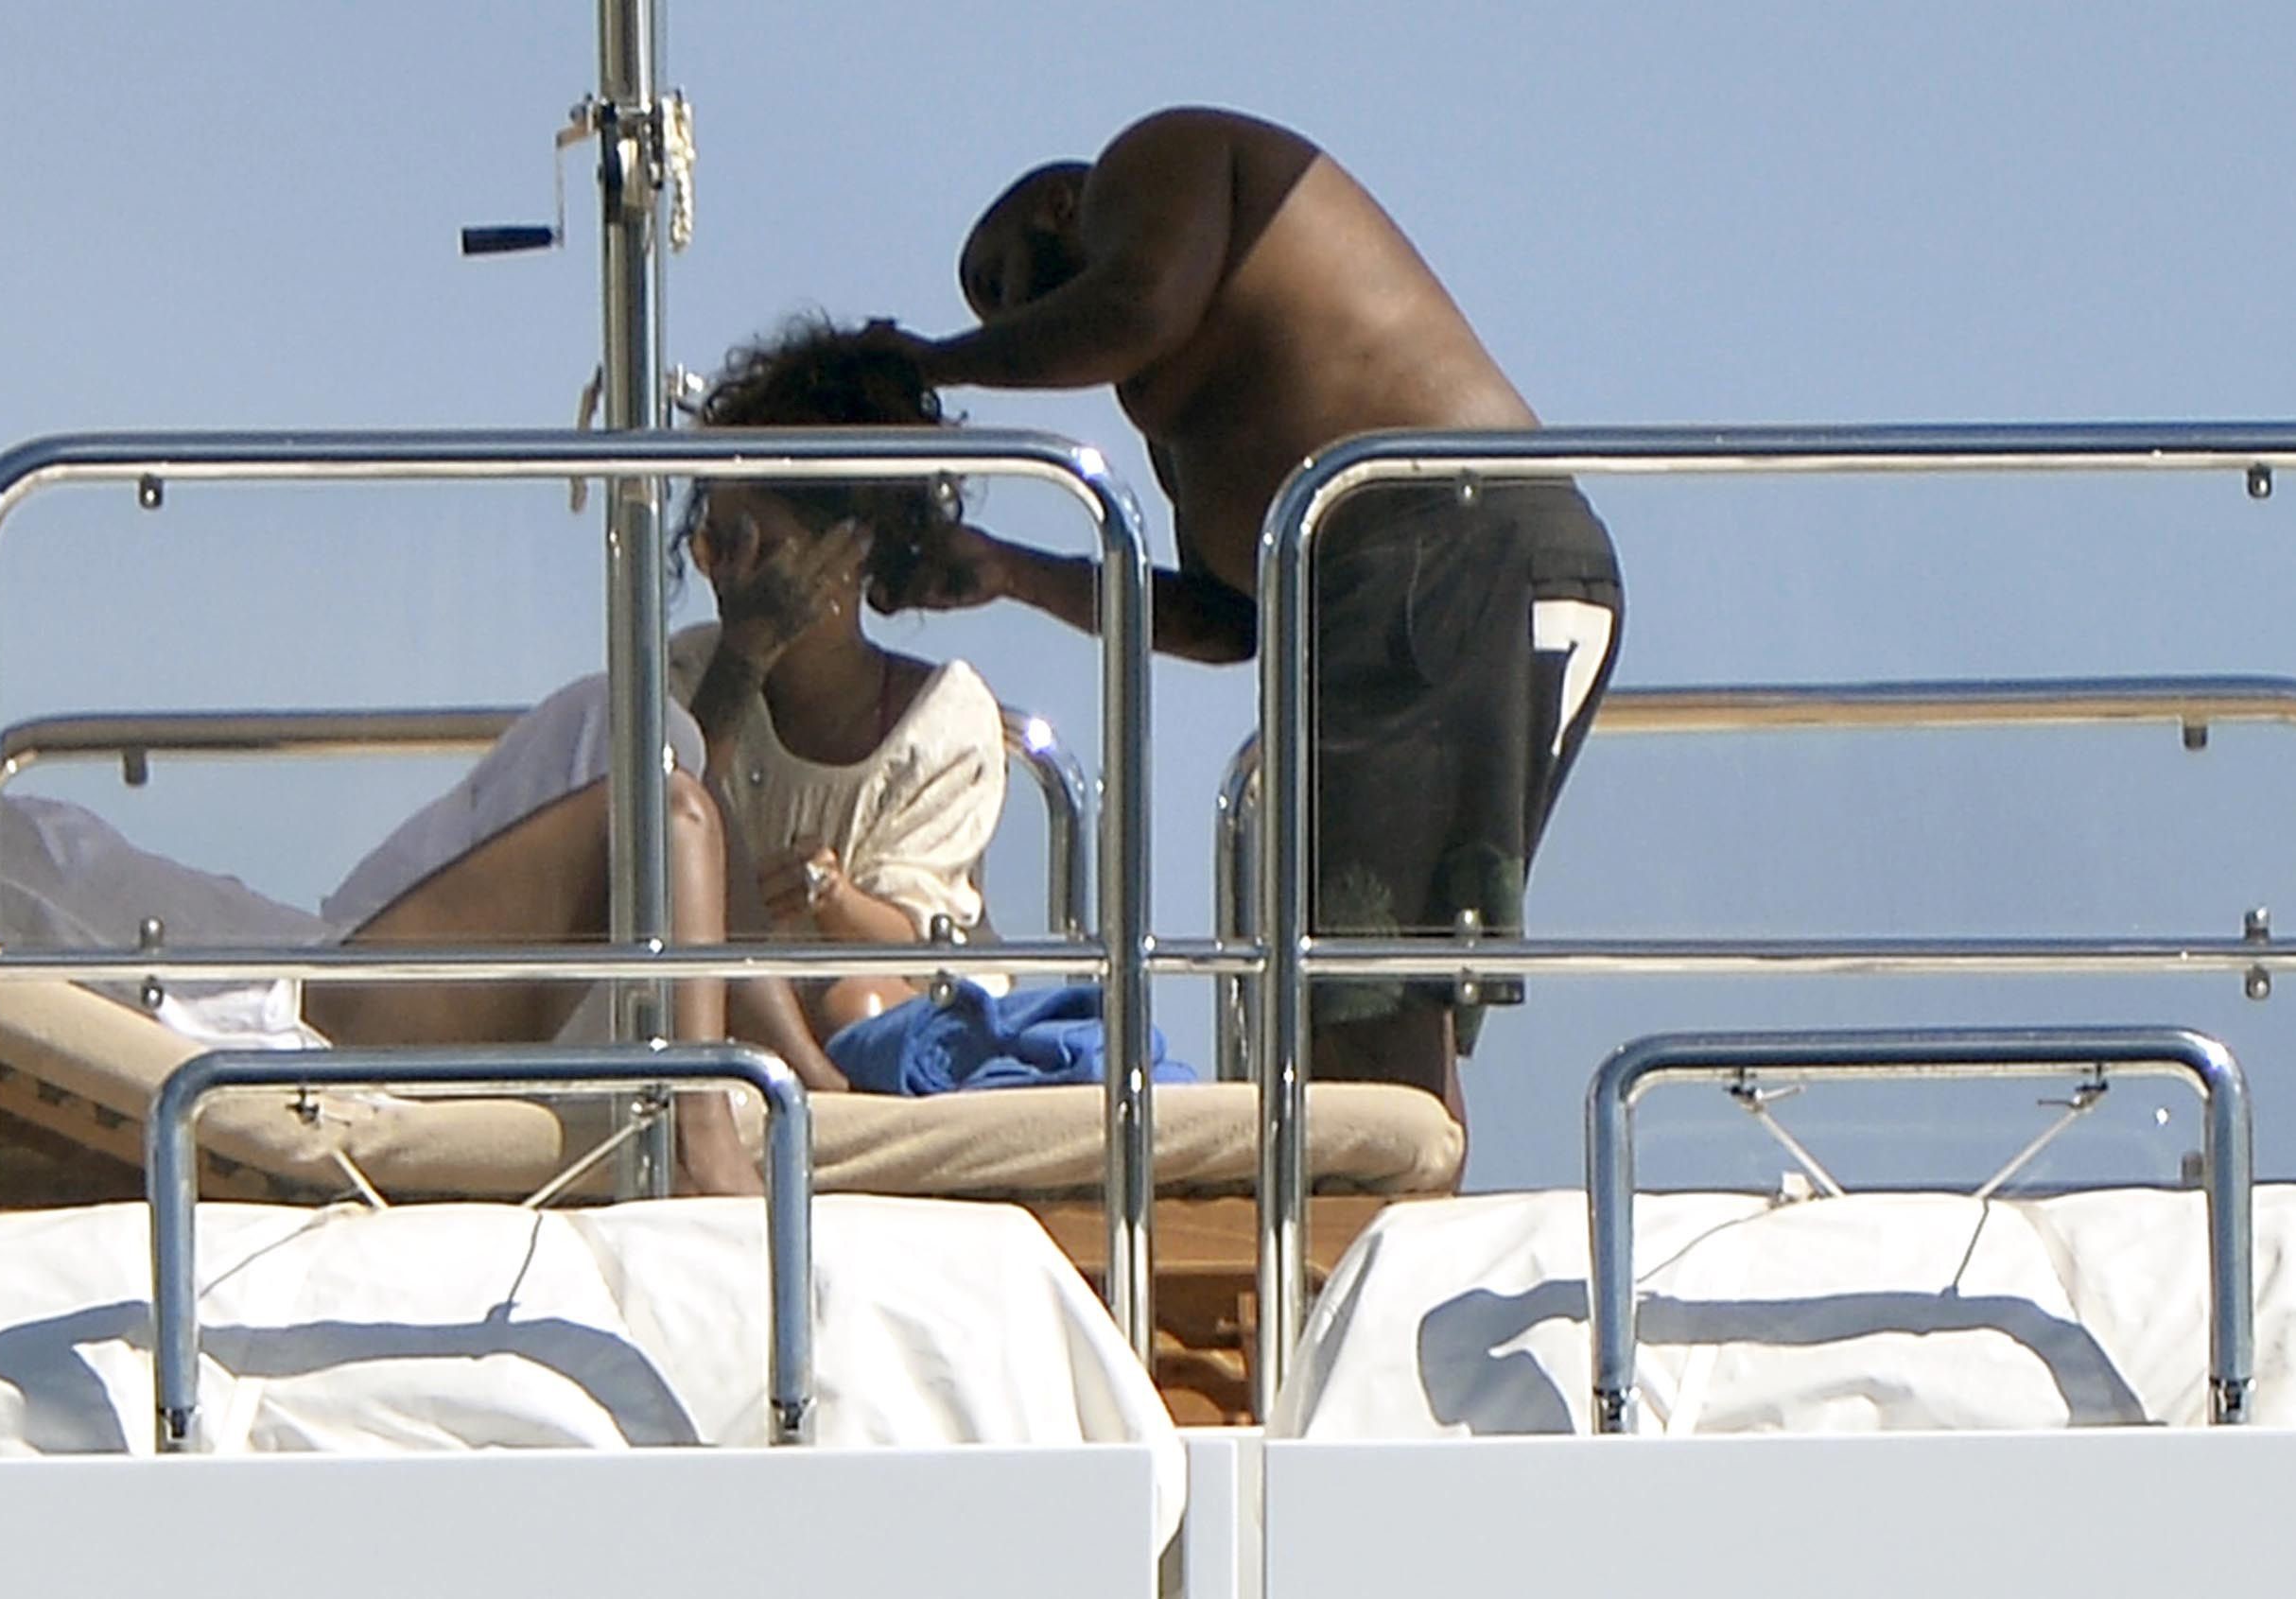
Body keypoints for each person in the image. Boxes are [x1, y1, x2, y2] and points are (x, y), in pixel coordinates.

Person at [866, 106, 1624, 1124]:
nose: (1000, 324)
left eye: (999, 283)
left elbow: (1132, 306)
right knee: (1350, 967)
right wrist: (1010, 570)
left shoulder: (1160, 158)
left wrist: (931, 364)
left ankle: (1383, 1241)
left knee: (1361, 970)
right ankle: (1389, 1218)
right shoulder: (1188, 425)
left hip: (1449, 539)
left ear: (1059, 207)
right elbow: (1229, 622)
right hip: (1410, 580)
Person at [315, 322, 1008, 1184]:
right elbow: (664, 826)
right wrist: (743, 661)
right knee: (673, 795)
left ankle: (822, 1091)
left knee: (856, 994)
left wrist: (828, 892)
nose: (725, 571)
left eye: (754, 545)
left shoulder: (938, 716)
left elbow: (916, 942)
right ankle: (791, 1099)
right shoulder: (679, 677)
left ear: (849, 551)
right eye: (713, 543)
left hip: (873, 995)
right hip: (712, 1006)